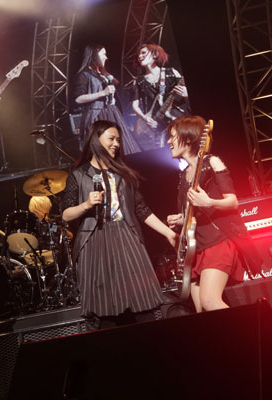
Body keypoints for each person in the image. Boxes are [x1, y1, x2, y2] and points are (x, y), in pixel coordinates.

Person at [62, 120, 177, 329]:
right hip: (94, 241)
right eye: (111, 139)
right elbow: (66, 214)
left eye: (118, 140)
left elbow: (141, 210)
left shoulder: (123, 174)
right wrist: (86, 204)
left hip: (126, 236)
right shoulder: (78, 175)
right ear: (96, 140)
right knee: (104, 307)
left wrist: (168, 233)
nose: (116, 144)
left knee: (142, 299)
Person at [165, 115, 260, 313]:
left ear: (188, 138)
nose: (168, 142)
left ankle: (248, 332)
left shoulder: (212, 162)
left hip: (218, 242)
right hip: (196, 249)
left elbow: (232, 202)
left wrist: (209, 202)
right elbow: (193, 213)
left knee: (210, 301)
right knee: (201, 311)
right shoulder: (183, 174)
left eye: (173, 136)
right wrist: (180, 219)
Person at [72, 44, 141, 154]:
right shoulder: (84, 75)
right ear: (94, 55)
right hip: (97, 116)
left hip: (112, 112)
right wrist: (102, 93)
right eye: (103, 54)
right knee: (105, 149)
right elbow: (78, 99)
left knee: (123, 147)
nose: (106, 57)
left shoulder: (102, 74)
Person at [131, 43, 190, 149]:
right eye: (138, 54)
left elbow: (186, 96)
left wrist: (186, 94)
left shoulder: (171, 72)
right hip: (154, 124)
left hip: (175, 121)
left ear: (155, 54)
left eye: (143, 53)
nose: (140, 56)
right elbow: (135, 106)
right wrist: (145, 118)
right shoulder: (138, 81)